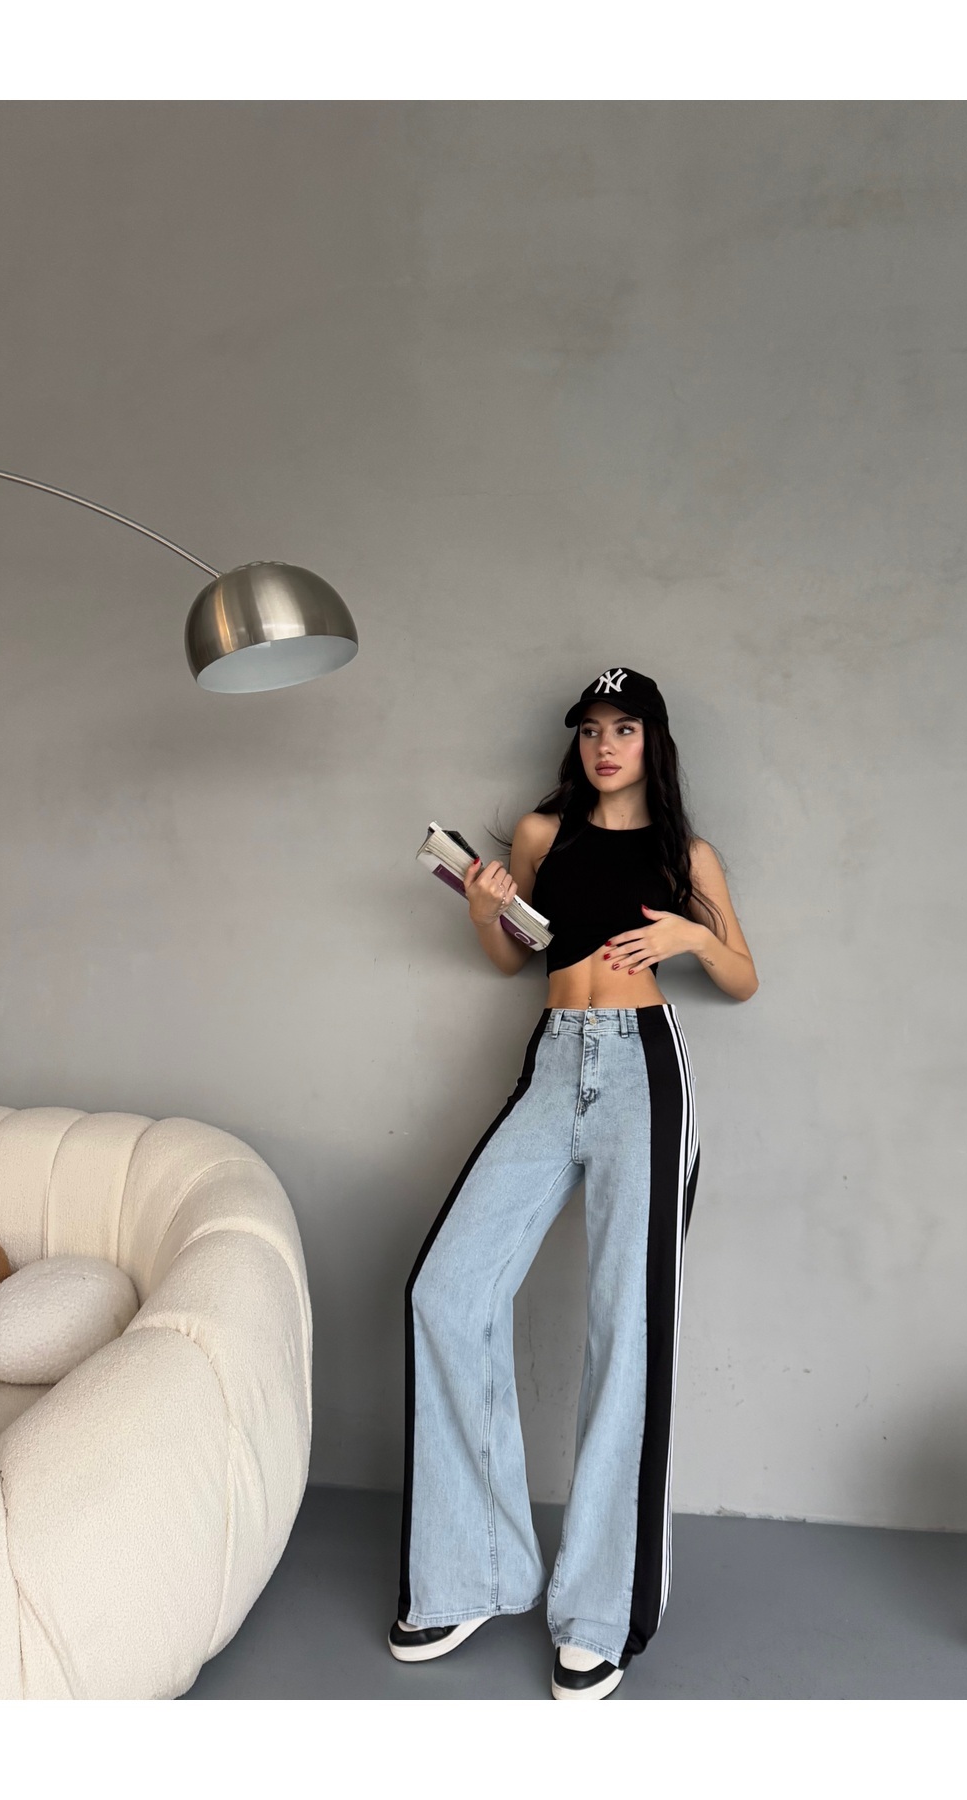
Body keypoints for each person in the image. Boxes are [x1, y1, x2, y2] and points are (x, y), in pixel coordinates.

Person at [389, 667, 758, 1699]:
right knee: (447, 1291)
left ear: (652, 740)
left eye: (624, 728)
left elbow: (743, 976)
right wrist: (485, 908)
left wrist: (692, 935)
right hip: (555, 1063)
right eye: (592, 729)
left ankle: (600, 1612)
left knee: (626, 1329)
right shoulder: (542, 834)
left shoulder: (687, 854)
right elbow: (513, 961)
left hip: (645, 1069)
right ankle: (475, 1572)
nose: (605, 745)